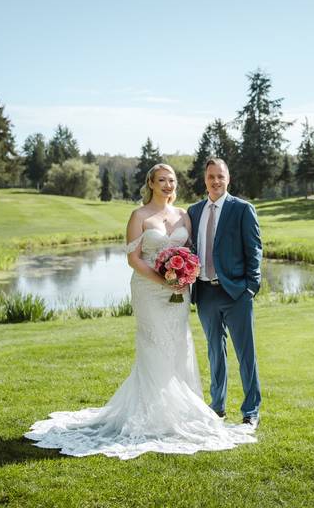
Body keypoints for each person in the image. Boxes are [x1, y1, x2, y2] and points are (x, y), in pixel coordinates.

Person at [25, 163, 255, 459]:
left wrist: (184, 276)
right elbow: (133, 259)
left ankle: (182, 414)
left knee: (178, 347)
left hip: (179, 293)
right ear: (151, 183)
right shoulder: (139, 216)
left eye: (171, 180)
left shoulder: (184, 214)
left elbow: (194, 253)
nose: (168, 185)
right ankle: (152, 416)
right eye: (161, 180)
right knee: (154, 346)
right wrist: (163, 279)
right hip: (149, 291)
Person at [188, 158, 262, 428]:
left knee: (246, 354)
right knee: (214, 353)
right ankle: (216, 406)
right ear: (204, 179)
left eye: (220, 176)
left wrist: (250, 287)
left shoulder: (242, 209)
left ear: (228, 178)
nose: (216, 181)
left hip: (235, 293)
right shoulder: (194, 211)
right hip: (205, 293)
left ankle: (251, 410)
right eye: (211, 177)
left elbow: (254, 249)